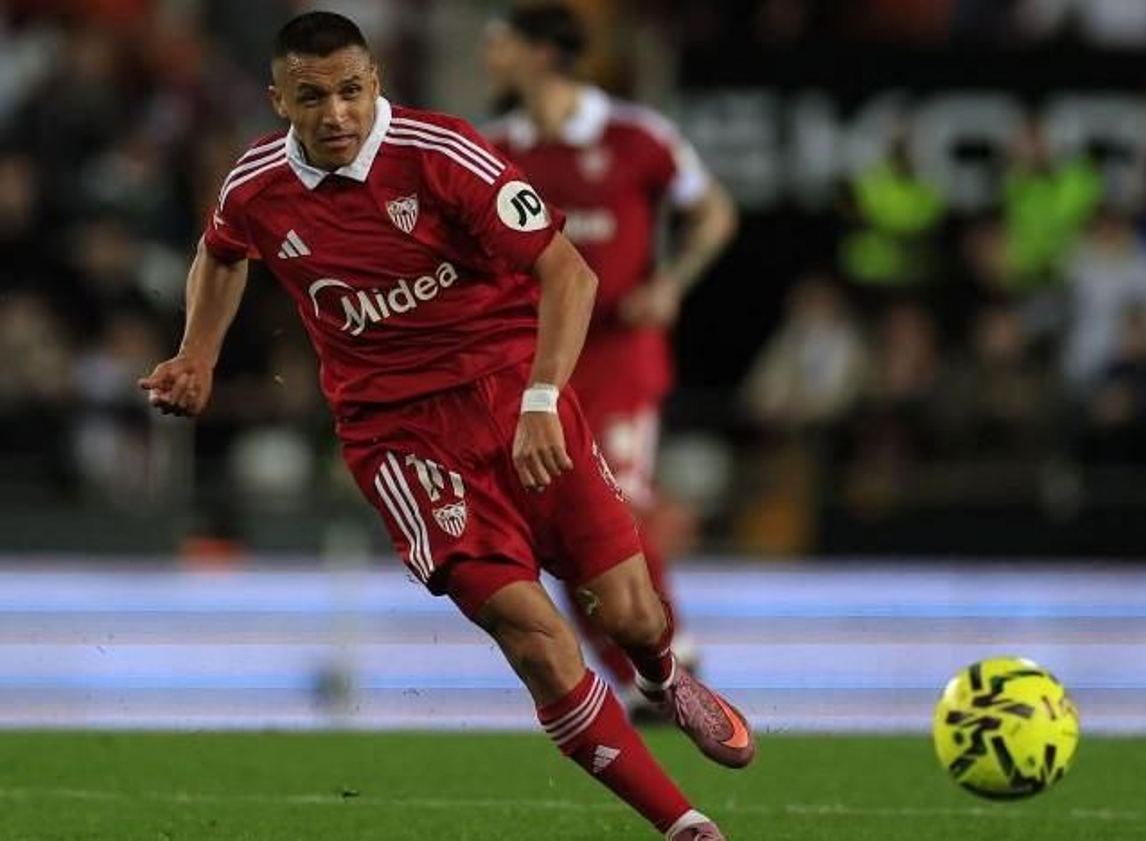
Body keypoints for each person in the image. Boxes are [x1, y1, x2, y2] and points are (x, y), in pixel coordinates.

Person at [136, 12, 748, 840]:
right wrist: (196, 354)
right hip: (401, 438)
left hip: (514, 399)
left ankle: (663, 673)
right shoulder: (255, 186)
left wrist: (539, 400)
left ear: (375, 82)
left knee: (630, 612)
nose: (337, 113)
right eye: (312, 96)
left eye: (351, 90)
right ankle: (682, 823)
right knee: (532, 635)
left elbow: (569, 274)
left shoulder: (441, 153)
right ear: (278, 99)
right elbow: (221, 251)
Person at [480, 4, 738, 706]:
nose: (488, 55)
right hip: (537, 366)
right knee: (562, 525)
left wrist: (671, 282)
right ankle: (636, 682)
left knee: (615, 508)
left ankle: (672, 654)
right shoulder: (495, 145)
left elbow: (714, 211)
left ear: (539, 53)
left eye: (499, 42)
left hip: (621, 354)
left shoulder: (635, 136)